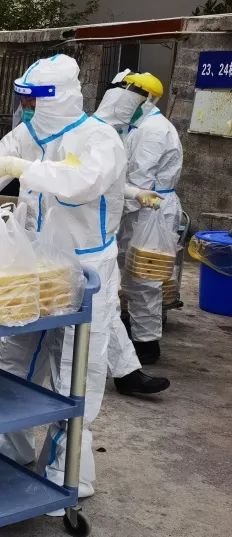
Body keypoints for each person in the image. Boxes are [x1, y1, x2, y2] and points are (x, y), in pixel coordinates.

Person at [0, 54, 128, 503]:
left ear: (58, 99)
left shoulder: (99, 138)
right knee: (14, 355)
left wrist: (18, 169)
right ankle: (7, 447)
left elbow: (80, 183)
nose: (26, 109)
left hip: (87, 271)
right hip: (35, 268)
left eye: (34, 101)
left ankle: (67, 475)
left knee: (76, 373)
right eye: (24, 100)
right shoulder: (28, 133)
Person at [93, 71, 183, 368]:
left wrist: (112, 211)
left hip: (152, 211)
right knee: (130, 275)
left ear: (144, 99)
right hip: (139, 209)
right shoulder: (136, 126)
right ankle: (136, 331)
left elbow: (140, 180)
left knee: (144, 278)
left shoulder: (153, 130)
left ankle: (147, 343)